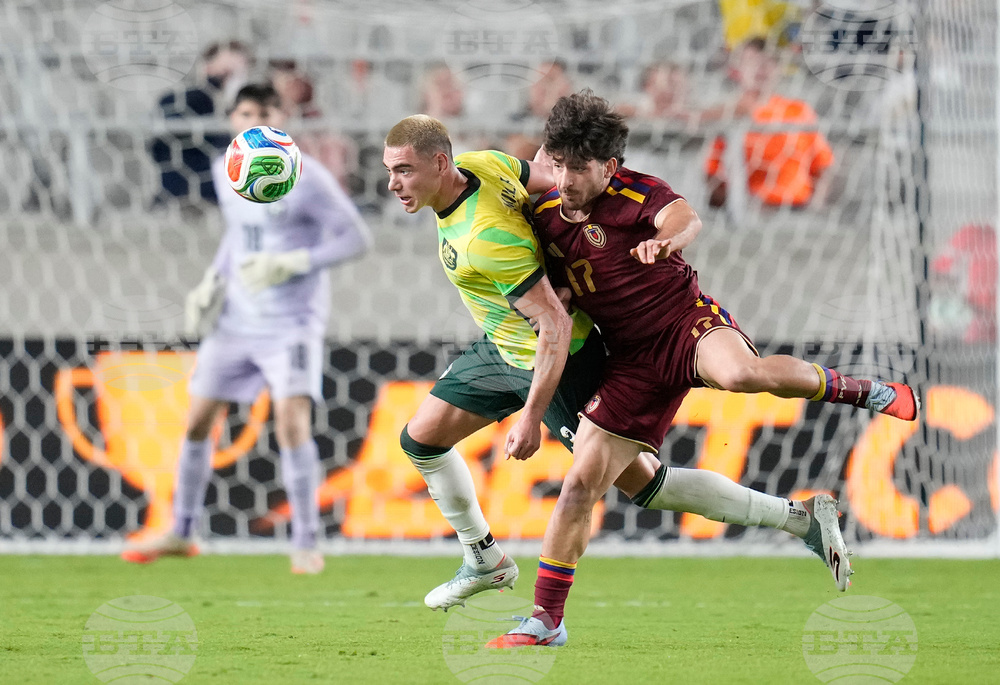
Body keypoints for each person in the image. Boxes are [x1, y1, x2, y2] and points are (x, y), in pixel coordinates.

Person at [486, 91, 919, 648]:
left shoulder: (637, 191)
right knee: (578, 487)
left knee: (741, 375)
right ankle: (546, 621)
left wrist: (667, 242)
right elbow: (552, 282)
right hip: (631, 364)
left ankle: (863, 391)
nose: (566, 178)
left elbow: (684, 217)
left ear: (609, 167)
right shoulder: (541, 215)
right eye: (559, 163)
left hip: (684, 324)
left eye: (580, 168)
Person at [382, 115, 676, 611]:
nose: (393, 184)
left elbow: (556, 327)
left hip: (561, 361)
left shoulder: (486, 238)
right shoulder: (484, 164)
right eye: (390, 171)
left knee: (645, 485)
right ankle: (485, 560)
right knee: (421, 439)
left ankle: (792, 517)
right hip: (502, 347)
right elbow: (552, 186)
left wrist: (531, 418)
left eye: (404, 171)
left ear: (438, 163)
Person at [123, 84, 372, 574]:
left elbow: (357, 238)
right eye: (245, 112)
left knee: (291, 423)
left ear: (283, 118)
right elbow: (238, 237)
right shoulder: (224, 169)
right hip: (237, 317)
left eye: (265, 112)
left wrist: (295, 261)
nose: (253, 120)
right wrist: (211, 282)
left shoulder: (309, 177)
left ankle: (304, 542)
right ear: (231, 117)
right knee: (196, 421)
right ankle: (182, 530)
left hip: (291, 323)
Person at [151, 40, 253, 205]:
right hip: (186, 200)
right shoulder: (180, 101)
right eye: (224, 73)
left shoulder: (259, 108)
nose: (230, 81)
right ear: (205, 69)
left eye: (238, 75)